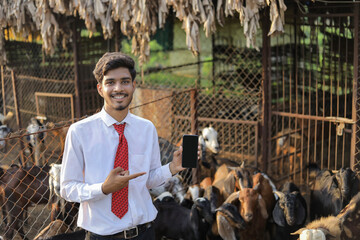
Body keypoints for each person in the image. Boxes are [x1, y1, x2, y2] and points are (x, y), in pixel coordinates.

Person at [60, 52, 185, 240]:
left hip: (145, 233)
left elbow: (148, 180)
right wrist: (103, 188)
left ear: (133, 86)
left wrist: (172, 168)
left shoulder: (146, 128)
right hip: (101, 236)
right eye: (110, 82)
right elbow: (67, 188)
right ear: (100, 88)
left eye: (125, 81)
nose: (118, 88)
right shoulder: (79, 132)